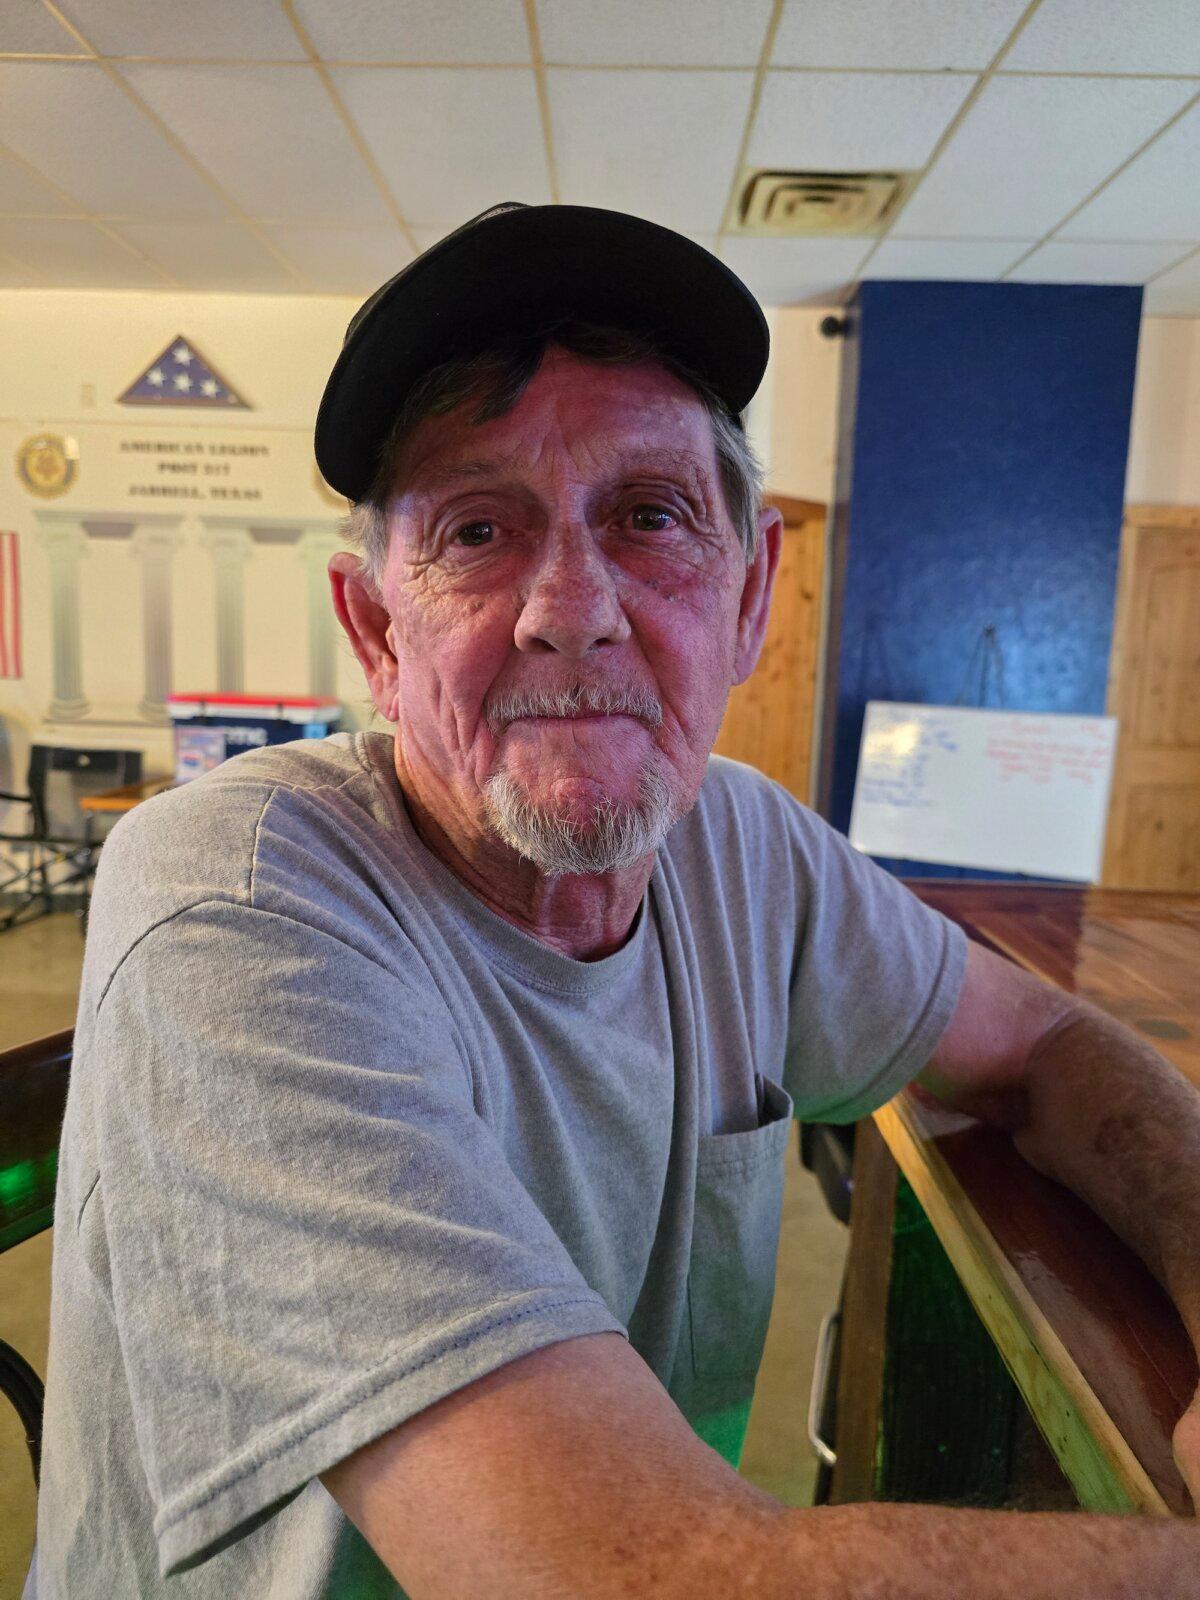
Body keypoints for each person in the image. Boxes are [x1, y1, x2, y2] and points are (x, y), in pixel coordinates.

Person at [25, 204, 1200, 1599]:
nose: (569, 608)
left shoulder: (746, 850)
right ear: (375, 634)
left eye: (649, 517)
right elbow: (637, 1581)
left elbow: (1045, 1047)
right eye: (477, 528)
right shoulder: (234, 903)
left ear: (752, 592)